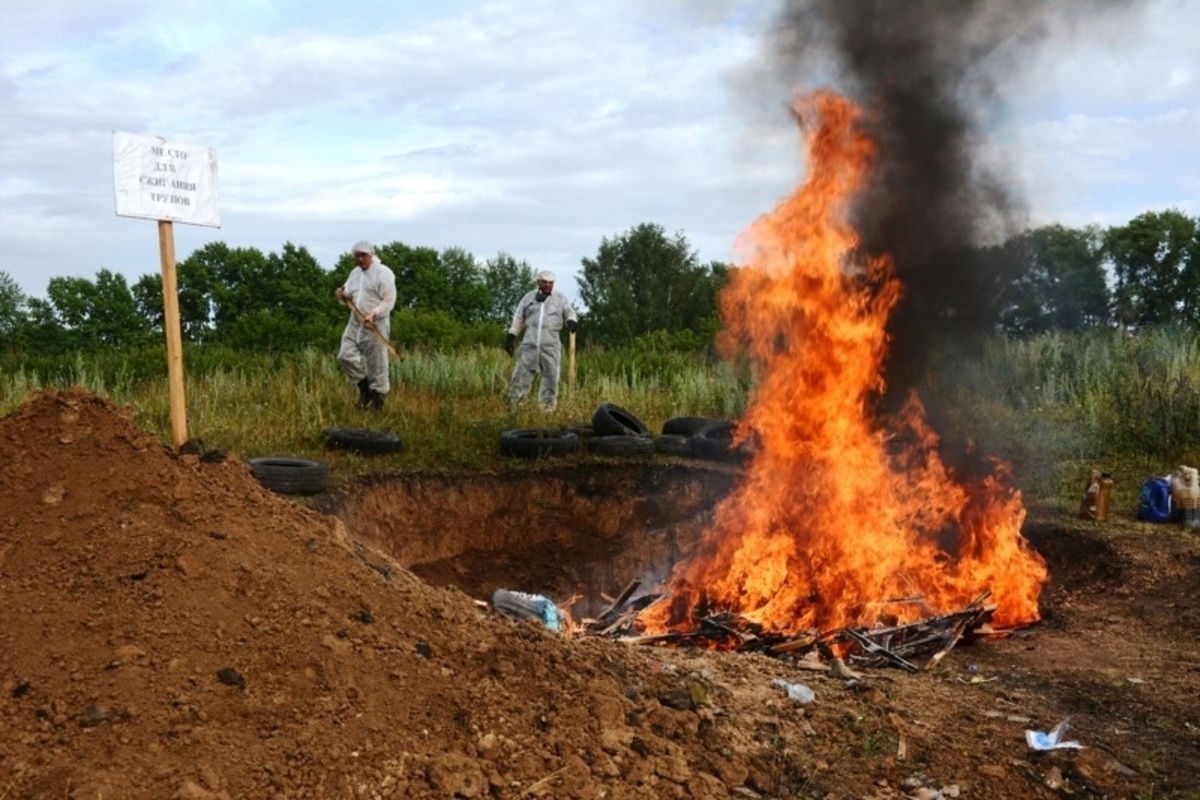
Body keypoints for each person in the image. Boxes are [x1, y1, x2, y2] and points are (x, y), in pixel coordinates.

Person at [335, 241, 396, 413]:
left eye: (363, 255)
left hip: (376, 324)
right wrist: (341, 294)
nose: (360, 259)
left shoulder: (383, 273)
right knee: (345, 356)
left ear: (371, 255)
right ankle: (365, 389)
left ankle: (378, 401)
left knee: (377, 364)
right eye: (357, 256)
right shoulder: (355, 274)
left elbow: (389, 300)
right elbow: (346, 294)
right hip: (355, 322)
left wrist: (375, 313)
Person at [505, 270, 578, 411]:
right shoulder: (528, 298)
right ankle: (515, 410)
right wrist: (511, 336)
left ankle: (547, 411)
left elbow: (569, 311)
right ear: (538, 282)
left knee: (551, 379)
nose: (547, 285)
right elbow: (519, 317)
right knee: (520, 378)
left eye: (550, 283)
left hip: (550, 346)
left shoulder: (560, 298)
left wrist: (571, 320)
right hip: (529, 345)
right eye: (544, 282)